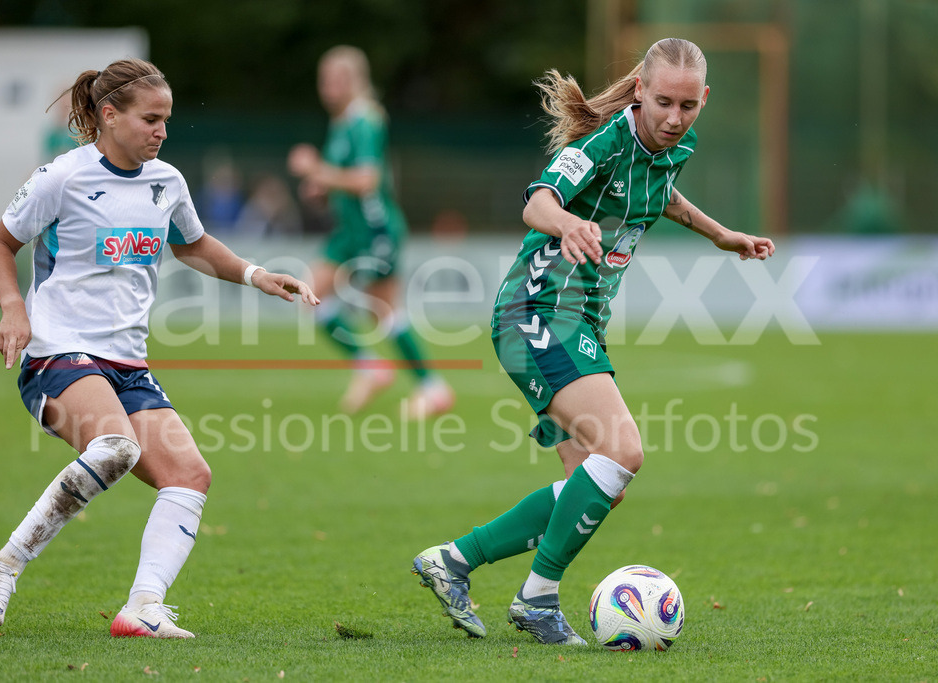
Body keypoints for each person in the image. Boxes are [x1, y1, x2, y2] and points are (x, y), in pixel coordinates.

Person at [412, 38, 775, 644]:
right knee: (623, 451)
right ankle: (537, 599)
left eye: (688, 106)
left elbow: (664, 196)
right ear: (639, 91)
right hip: (538, 315)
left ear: (703, 99)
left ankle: (451, 563)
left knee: (597, 480)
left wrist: (721, 235)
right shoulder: (601, 145)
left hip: (575, 322)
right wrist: (570, 221)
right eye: (662, 102)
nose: (674, 118)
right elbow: (539, 201)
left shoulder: (676, 145)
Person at [0, 58, 319, 639]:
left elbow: (195, 245)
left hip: (127, 361)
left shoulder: (168, 182)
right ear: (109, 115)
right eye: (150, 119)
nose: (162, 132)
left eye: (167, 120)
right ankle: (3, 566)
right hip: (59, 352)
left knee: (189, 474)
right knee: (114, 447)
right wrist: (13, 308)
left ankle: (143, 607)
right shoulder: (63, 176)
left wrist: (257, 274)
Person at [287, 45, 454, 419]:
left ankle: (433, 388)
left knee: (385, 312)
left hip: (375, 229)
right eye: (324, 80)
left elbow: (366, 181)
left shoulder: (366, 119)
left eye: (336, 80)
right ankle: (372, 368)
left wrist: (316, 169)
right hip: (350, 230)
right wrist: (322, 186)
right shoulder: (344, 121)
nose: (328, 88)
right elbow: (344, 179)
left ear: (355, 81)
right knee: (311, 294)